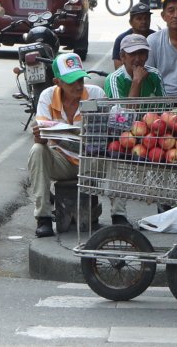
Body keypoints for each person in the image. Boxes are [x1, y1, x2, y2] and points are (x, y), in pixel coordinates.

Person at [28, 53, 126, 238]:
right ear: (57, 82)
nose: (78, 85)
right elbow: (41, 137)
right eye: (71, 82)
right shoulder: (47, 96)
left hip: (92, 161)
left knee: (115, 151)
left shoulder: (96, 94)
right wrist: (40, 135)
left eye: (80, 79)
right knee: (37, 150)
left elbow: (113, 127)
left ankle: (119, 215)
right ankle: (43, 217)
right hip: (62, 162)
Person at [104, 34, 164, 99]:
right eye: (132, 53)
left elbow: (165, 104)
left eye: (141, 53)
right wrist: (136, 82)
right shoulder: (114, 79)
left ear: (147, 56)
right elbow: (120, 106)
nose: (137, 59)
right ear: (122, 57)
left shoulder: (155, 74)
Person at [111, 2, 155, 70]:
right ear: (131, 22)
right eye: (139, 19)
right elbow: (118, 67)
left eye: (146, 18)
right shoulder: (121, 39)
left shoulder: (156, 38)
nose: (144, 21)